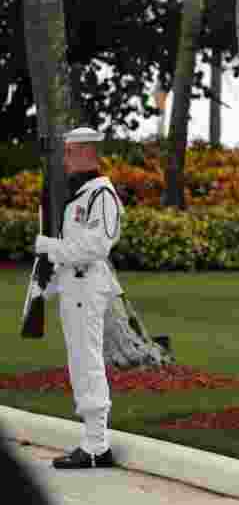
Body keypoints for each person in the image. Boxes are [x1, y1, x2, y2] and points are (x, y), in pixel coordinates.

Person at [33, 127, 125, 470]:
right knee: (79, 362)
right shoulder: (81, 193)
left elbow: (96, 246)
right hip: (74, 288)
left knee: (87, 362)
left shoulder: (100, 195)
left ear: (87, 152)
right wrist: (46, 283)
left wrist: (50, 248)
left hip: (88, 287)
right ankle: (92, 441)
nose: (65, 159)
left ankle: (97, 445)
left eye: (70, 152)